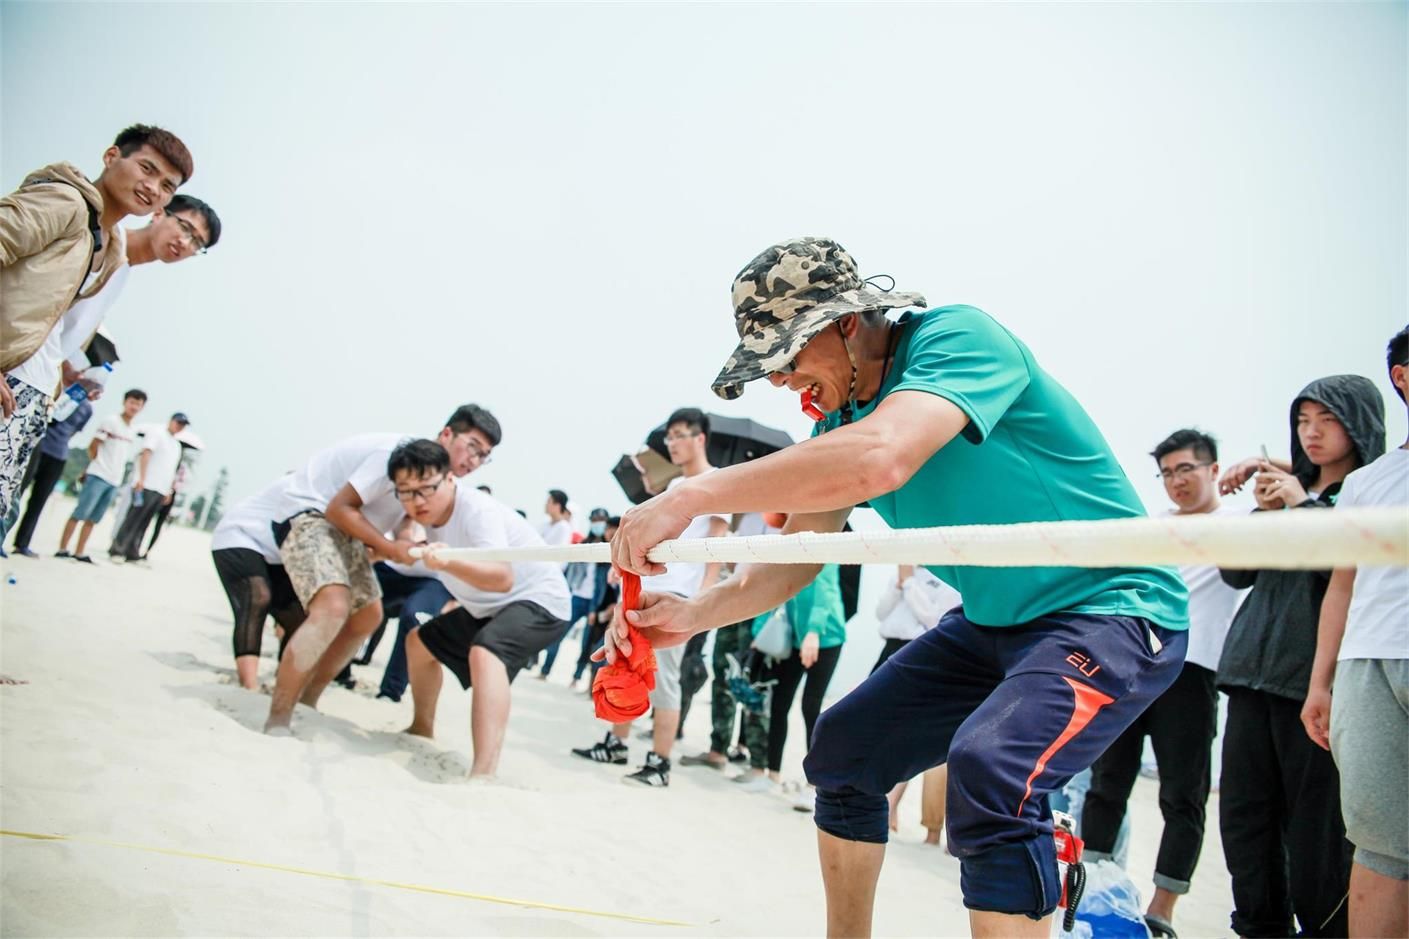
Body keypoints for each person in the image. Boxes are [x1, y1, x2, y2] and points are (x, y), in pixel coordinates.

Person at [606, 237, 1189, 936]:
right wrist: (695, 612)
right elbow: (795, 557)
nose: (782, 382)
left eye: (787, 358)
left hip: (1113, 609)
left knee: (990, 769)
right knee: (843, 750)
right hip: (994, 621)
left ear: (845, 322)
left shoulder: (958, 338)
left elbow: (883, 457)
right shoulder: (837, 421)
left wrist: (690, 495)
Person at [1216, 375, 1384, 938]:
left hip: (1318, 688)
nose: (1311, 433)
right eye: (1302, 420)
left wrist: (1303, 505)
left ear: (1359, 423)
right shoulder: (1291, 495)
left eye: (1326, 420)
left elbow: (1352, 582)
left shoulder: (1369, 496)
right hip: (1248, 678)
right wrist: (1268, 512)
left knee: (1317, 836)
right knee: (1244, 824)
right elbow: (1235, 573)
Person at [1081, 428, 1248, 938]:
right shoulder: (1150, 526)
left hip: (1195, 671)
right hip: (1133, 666)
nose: (1176, 481)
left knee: (1182, 795)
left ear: (1214, 470)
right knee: (1107, 783)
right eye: (1168, 472)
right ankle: (1094, 889)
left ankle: (1162, 909)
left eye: (1186, 470)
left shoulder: (1240, 525)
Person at [263, 404, 500, 734]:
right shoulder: (396, 453)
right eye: (472, 447)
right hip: (309, 514)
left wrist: (408, 545)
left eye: (483, 456)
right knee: (333, 607)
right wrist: (390, 549)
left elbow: (406, 523)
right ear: (447, 434)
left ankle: (308, 700)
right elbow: (339, 507)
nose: (474, 461)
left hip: (350, 534)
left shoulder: (435, 477)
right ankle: (278, 716)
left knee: (368, 616)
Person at [1, 125, 192, 522]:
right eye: (146, 168)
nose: (153, 187)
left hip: (28, 399)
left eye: (167, 185)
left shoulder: (106, 247)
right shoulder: (64, 201)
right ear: (111, 157)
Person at [1301, 328, 1408, 939]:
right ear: (1402, 377)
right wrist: (1322, 682)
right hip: (1370, 665)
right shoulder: (1369, 482)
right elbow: (1341, 586)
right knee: (1379, 847)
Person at [396, 440, 571, 778]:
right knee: (418, 642)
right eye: (405, 492)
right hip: (489, 608)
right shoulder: (423, 512)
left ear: (449, 480)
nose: (417, 501)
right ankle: (421, 728)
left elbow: (502, 577)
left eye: (425, 489)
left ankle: (483, 772)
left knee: (485, 651)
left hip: (541, 601)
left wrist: (448, 562)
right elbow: (403, 532)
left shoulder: (477, 509)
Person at [573, 408, 729, 787]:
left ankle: (660, 763)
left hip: (679, 594)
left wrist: (702, 602)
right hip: (648, 588)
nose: (672, 443)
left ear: (700, 438)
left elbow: (718, 548)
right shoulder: (674, 487)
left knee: (666, 680)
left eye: (679, 435)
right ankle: (617, 742)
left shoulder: (718, 482)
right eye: (670, 437)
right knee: (626, 663)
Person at [738, 557, 847, 814]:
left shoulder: (825, 551)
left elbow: (826, 590)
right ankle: (772, 774)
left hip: (826, 637)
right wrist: (759, 631)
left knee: (811, 706)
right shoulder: (792, 550)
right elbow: (778, 591)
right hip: (795, 637)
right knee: (779, 702)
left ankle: (814, 785)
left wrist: (813, 632)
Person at [874, 565, 961, 845]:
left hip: (924, 652)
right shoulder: (904, 569)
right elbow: (881, 613)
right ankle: (886, 807)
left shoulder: (947, 577)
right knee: (885, 734)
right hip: (889, 649)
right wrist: (899, 584)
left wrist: (910, 583)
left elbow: (936, 619)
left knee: (922, 743)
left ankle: (929, 829)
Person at [211, 475, 307, 689]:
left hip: (277, 554)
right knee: (258, 597)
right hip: (240, 536)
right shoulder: (306, 485)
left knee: (301, 616)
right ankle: (249, 684)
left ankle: (283, 680)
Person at [57, 388, 146, 562]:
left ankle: (79, 551)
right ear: (125, 402)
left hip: (115, 479)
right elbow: (94, 445)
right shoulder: (110, 421)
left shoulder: (132, 430)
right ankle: (62, 548)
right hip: (98, 474)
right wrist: (94, 465)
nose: (134, 407)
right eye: (132, 402)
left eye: (138, 404)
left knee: (94, 518)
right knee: (80, 512)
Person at [8, 398, 95, 556]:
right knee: (15, 493)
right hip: (38, 447)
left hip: (58, 455)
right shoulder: (60, 392)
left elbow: (73, 431)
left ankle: (22, 543)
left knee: (38, 502)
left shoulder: (87, 408)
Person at [108, 412, 189, 561]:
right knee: (133, 518)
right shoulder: (157, 433)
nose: (179, 426)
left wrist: (168, 491)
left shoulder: (176, 445)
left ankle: (132, 551)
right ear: (171, 420)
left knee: (145, 522)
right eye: (178, 422)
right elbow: (146, 454)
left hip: (161, 488)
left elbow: (172, 470)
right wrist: (141, 478)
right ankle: (117, 549)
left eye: (182, 425)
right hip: (146, 484)